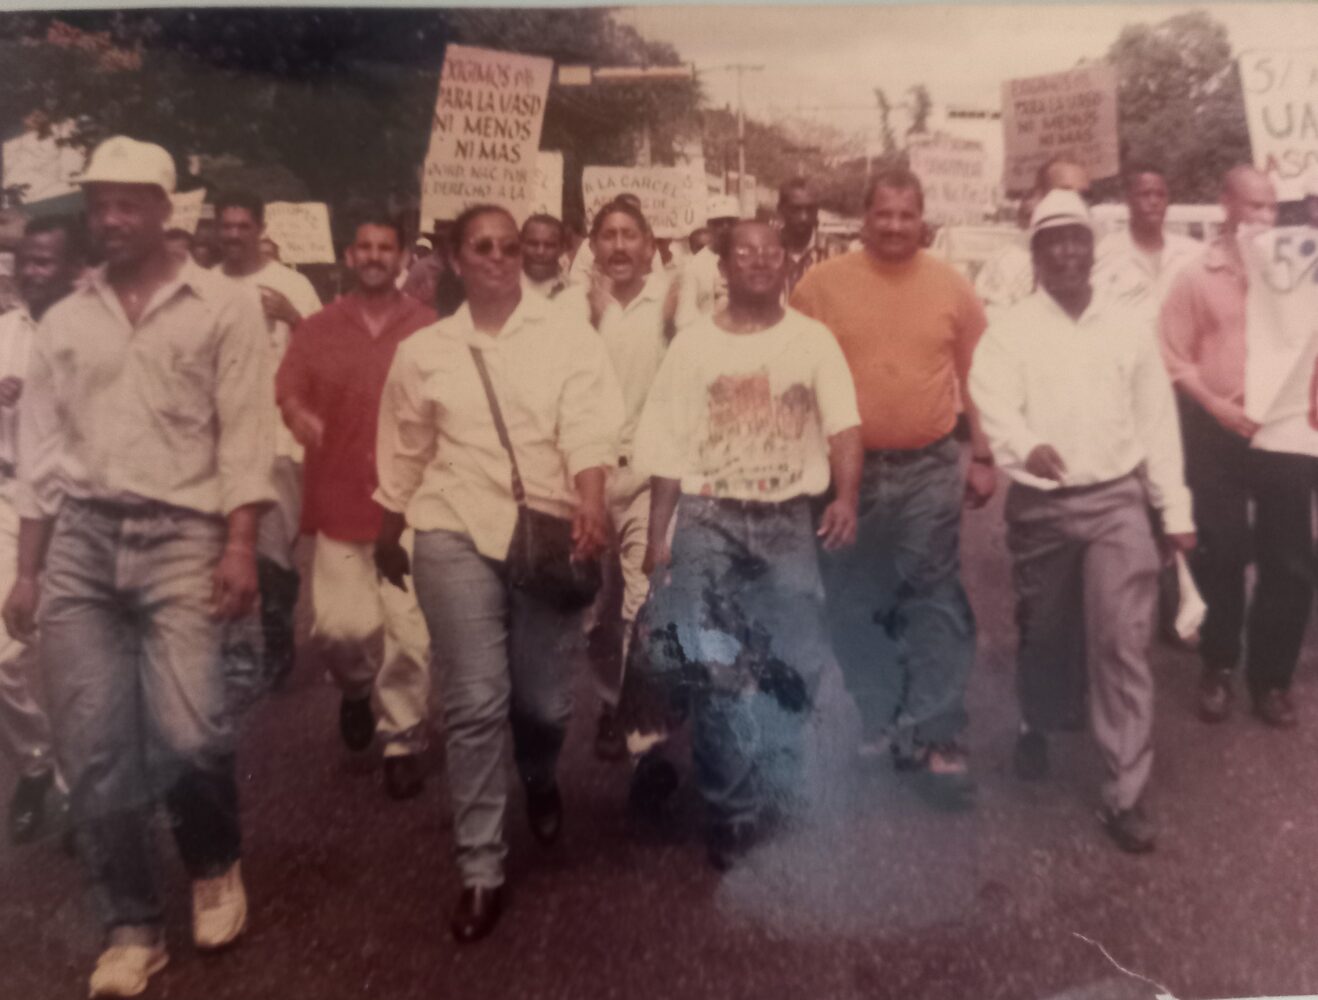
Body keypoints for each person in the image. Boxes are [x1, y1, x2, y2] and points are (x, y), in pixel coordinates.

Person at [3, 136, 275, 996]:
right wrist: (30, 569)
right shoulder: (67, 319)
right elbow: (43, 451)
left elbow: (246, 432)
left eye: (128, 203)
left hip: (184, 538)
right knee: (94, 746)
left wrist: (239, 545)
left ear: (166, 210)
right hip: (82, 542)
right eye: (99, 204)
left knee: (190, 729)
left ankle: (214, 860)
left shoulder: (223, 307)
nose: (110, 219)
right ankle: (130, 923)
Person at [374, 204, 623, 943]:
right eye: (481, 247)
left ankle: (541, 775)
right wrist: (389, 533)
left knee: (543, 704)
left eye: (510, 247)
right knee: (477, 701)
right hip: (451, 525)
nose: (498, 258)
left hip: (546, 532)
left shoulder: (566, 335)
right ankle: (480, 865)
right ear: (454, 258)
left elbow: (589, 422)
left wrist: (587, 501)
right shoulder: (425, 351)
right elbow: (404, 450)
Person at [628, 219, 861, 869]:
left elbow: (843, 426)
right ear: (722, 265)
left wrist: (844, 498)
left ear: (788, 262)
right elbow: (668, 445)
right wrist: (658, 537)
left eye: (770, 251)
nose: (758, 261)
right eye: (744, 252)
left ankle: (780, 770)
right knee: (715, 666)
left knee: (798, 658)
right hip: (710, 518)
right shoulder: (694, 346)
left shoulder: (813, 341)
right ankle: (731, 808)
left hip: (788, 518)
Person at [970, 189, 1195, 854]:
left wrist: (1174, 508)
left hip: (1116, 502)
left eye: (1078, 240)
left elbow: (1157, 422)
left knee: (1122, 641)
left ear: (1093, 250)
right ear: (1035, 255)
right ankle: (1035, 723)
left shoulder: (1128, 326)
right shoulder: (1011, 330)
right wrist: (1021, 447)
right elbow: (993, 402)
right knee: (1045, 633)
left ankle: (1125, 790)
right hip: (1041, 504)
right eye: (1053, 242)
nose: (1067, 253)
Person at [790, 167, 994, 792]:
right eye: (885, 214)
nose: (896, 226)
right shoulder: (819, 287)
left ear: (922, 218)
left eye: (908, 215)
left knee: (933, 595)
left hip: (929, 466)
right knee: (853, 604)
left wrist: (982, 454)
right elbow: (793, 384)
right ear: (864, 216)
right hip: (843, 477)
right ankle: (879, 713)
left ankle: (935, 733)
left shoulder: (952, 287)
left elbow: (978, 376)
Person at [275, 214, 436, 798]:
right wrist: (298, 415)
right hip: (341, 501)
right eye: (363, 247)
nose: (373, 256)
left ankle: (402, 737)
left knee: (409, 633)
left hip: (410, 508)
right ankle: (354, 688)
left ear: (401, 259)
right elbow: (288, 386)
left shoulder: (428, 327)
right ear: (349, 255)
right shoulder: (318, 327)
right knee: (342, 630)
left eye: (384, 248)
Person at [1160, 166, 1310, 728]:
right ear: (1226, 205)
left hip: (1286, 431)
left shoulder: (1301, 270)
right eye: (1253, 207)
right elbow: (1174, 356)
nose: (1264, 219)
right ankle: (1218, 664)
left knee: (1290, 560)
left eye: (1272, 208)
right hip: (1218, 429)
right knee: (1220, 551)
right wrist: (1215, 404)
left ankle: (1271, 679)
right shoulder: (1197, 274)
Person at [557, 199, 675, 761]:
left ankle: (643, 734)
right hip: (589, 481)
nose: (620, 246)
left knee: (643, 604)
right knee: (599, 613)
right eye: (609, 236)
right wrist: (591, 317)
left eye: (632, 234)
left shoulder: (673, 302)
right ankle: (611, 699)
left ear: (650, 244)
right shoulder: (567, 309)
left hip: (652, 476)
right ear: (593, 247)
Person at [216, 190, 322, 688]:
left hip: (278, 440)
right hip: (219, 439)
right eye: (227, 226)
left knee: (275, 553)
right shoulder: (204, 286)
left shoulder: (291, 284)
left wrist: (294, 318)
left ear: (260, 229)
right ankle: (234, 651)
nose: (234, 235)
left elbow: (326, 356)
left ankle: (278, 641)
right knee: (222, 548)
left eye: (243, 226)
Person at [0, 216, 81, 845]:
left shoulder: (97, 328)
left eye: (44, 262)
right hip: (9, 500)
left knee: (78, 666)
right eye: (24, 261)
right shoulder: (4, 333)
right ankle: (35, 761)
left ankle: (84, 796)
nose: (31, 273)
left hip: (83, 511)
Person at [1094, 165, 1202, 320]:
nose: (1154, 201)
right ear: (1128, 199)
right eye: (1145, 194)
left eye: (1160, 195)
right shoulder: (1104, 254)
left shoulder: (1192, 254)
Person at [674, 194, 742, 329]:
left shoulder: (749, 259)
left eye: (730, 222)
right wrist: (715, 314)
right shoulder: (695, 266)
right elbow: (683, 320)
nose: (725, 228)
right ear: (709, 226)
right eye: (718, 223)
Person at [778, 178, 828, 298]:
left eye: (810, 209)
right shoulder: (766, 251)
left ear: (817, 211)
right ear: (780, 210)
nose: (803, 218)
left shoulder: (835, 253)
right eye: (796, 209)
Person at [520, 213, 568, 299]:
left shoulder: (574, 292)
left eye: (549, 245)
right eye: (533, 244)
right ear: (520, 245)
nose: (540, 252)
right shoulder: (500, 289)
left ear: (562, 249)